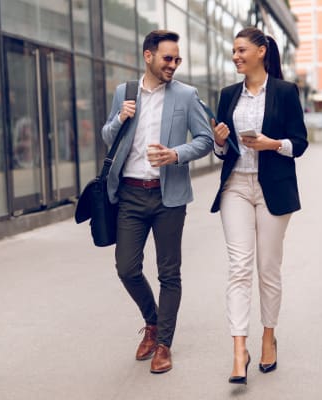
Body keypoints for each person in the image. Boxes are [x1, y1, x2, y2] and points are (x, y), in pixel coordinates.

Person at [102, 30, 213, 374]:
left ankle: (164, 343)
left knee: (169, 273)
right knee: (127, 268)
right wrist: (120, 118)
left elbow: (205, 139)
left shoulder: (185, 95)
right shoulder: (125, 92)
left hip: (169, 197)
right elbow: (108, 137)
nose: (173, 65)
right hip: (131, 195)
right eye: (168, 58)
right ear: (148, 56)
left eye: (177, 59)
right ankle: (152, 322)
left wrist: (175, 154)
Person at [210, 27, 308, 384]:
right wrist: (220, 142)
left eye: (241, 50)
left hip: (273, 190)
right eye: (233, 51)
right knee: (239, 267)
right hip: (235, 186)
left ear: (261, 51)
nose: (236, 56)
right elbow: (222, 152)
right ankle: (239, 351)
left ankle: (268, 336)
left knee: (268, 268)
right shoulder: (227, 95)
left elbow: (299, 143)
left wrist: (272, 144)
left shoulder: (284, 92)